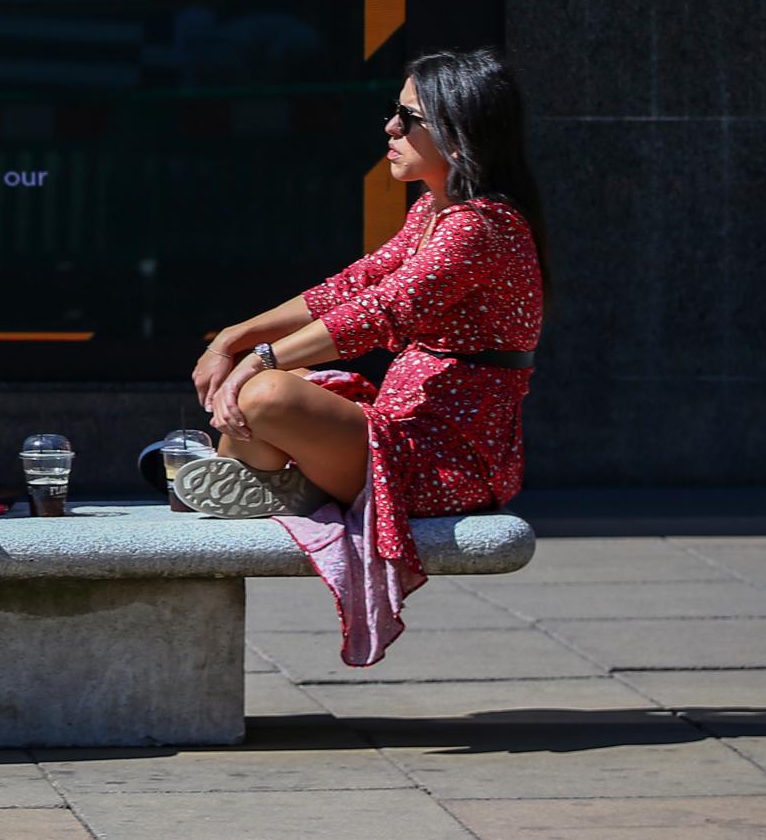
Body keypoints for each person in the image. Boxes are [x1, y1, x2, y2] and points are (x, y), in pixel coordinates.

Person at [177, 48, 545, 660]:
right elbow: (351, 287)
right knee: (257, 399)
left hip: (449, 458)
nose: (390, 129)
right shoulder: (435, 211)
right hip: (401, 427)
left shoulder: (483, 226)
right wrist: (231, 338)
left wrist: (262, 360)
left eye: (409, 117)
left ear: (458, 133)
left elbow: (384, 312)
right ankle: (278, 479)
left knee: (265, 394)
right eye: (394, 113)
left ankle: (281, 480)